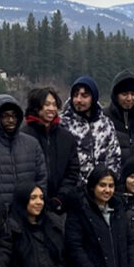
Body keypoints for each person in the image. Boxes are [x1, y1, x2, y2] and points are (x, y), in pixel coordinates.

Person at [0, 93, 48, 206]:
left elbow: (41, 178)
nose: (10, 120)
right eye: (5, 116)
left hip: (28, 214)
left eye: (14, 116)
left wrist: (36, 203)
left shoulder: (32, 144)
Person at [20, 86, 81, 214]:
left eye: (54, 105)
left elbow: (73, 171)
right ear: (36, 107)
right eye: (47, 104)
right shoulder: (23, 136)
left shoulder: (66, 137)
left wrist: (60, 197)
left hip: (61, 205)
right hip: (30, 205)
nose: (51, 109)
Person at [59, 75, 122, 180]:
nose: (79, 100)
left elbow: (114, 157)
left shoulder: (105, 124)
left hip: (102, 187)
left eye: (84, 96)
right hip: (73, 188)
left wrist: (109, 183)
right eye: (75, 95)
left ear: (93, 97)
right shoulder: (63, 124)